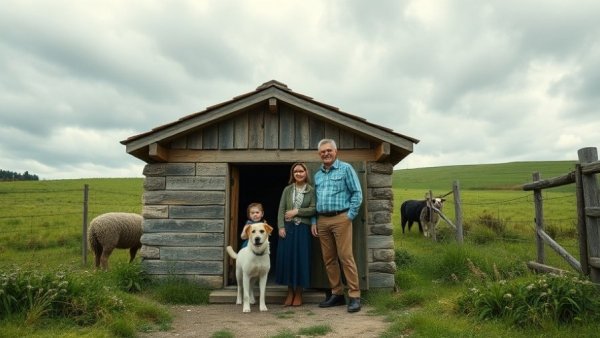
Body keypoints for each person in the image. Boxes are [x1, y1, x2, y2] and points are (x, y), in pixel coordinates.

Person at [313, 139, 363, 313]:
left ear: (336, 151)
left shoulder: (346, 168)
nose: (326, 154)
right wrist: (314, 220)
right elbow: (315, 200)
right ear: (319, 154)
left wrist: (349, 216)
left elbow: (357, 193)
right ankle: (337, 295)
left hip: (341, 217)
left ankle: (355, 296)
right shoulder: (318, 175)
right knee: (329, 259)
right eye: (322, 152)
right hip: (322, 220)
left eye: (329, 150)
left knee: (345, 257)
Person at [275, 162, 317, 306]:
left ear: (306, 173)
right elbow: (281, 209)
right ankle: (290, 292)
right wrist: (281, 227)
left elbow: (313, 209)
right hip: (288, 228)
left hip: (303, 229)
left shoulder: (311, 190)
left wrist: (297, 211)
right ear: (292, 175)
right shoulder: (287, 190)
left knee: (301, 259)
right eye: (295, 172)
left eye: (301, 171)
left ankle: (299, 292)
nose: (298, 174)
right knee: (287, 259)